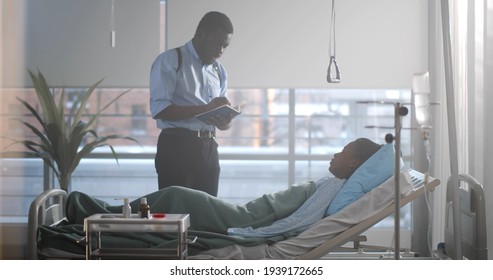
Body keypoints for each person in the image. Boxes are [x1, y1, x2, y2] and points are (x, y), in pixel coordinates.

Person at [67, 138, 383, 235]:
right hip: (249, 212)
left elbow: (299, 222)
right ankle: (96, 213)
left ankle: (91, 212)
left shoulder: (334, 188)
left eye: (342, 152)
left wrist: (255, 234)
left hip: (247, 218)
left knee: (176, 195)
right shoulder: (335, 183)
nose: (334, 154)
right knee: (175, 197)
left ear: (354, 164)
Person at [149, 11, 235, 196]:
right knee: (176, 212)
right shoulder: (171, 60)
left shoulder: (219, 71)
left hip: (209, 148)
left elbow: (220, 117)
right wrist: (205, 109)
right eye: (216, 43)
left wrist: (225, 122)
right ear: (201, 34)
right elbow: (160, 109)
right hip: (176, 146)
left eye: (225, 46)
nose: (220, 51)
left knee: (207, 214)